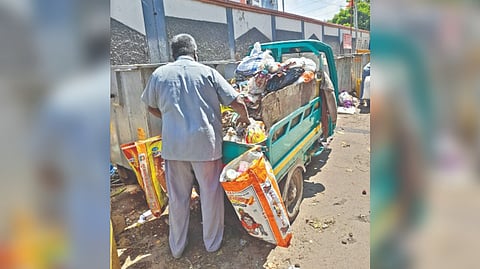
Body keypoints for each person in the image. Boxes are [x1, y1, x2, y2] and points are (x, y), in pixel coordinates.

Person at [141, 33, 250, 258]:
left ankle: (177, 248)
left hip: (174, 147)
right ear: (195, 52)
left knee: (178, 198)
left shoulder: (159, 74)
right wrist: (246, 119)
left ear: (173, 54)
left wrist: (171, 118)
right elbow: (237, 101)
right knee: (210, 194)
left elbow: (150, 106)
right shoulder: (208, 72)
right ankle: (212, 244)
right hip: (205, 146)